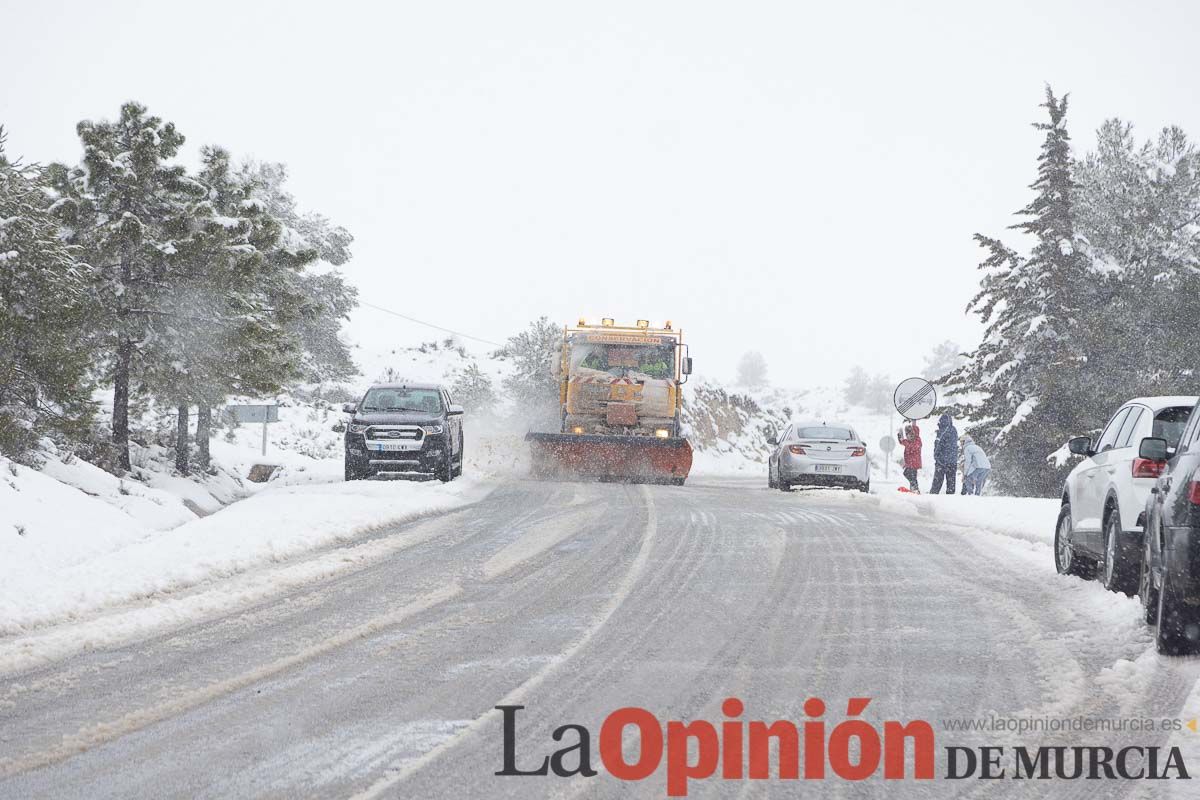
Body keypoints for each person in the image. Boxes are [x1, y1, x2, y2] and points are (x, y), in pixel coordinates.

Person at [930, 413, 958, 494]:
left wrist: (936, 456)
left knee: (937, 481)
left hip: (942, 461)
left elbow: (939, 444)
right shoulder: (954, 430)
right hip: (953, 461)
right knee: (951, 481)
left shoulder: (943, 431)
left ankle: (932, 496)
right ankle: (950, 497)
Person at [897, 422, 922, 492]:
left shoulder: (917, 440)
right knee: (909, 475)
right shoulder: (911, 440)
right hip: (910, 462)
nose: (908, 436)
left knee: (912, 476)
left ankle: (915, 489)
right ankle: (914, 488)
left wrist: (903, 441)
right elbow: (905, 443)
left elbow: (912, 447)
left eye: (910, 434)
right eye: (907, 434)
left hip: (914, 462)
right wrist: (900, 438)